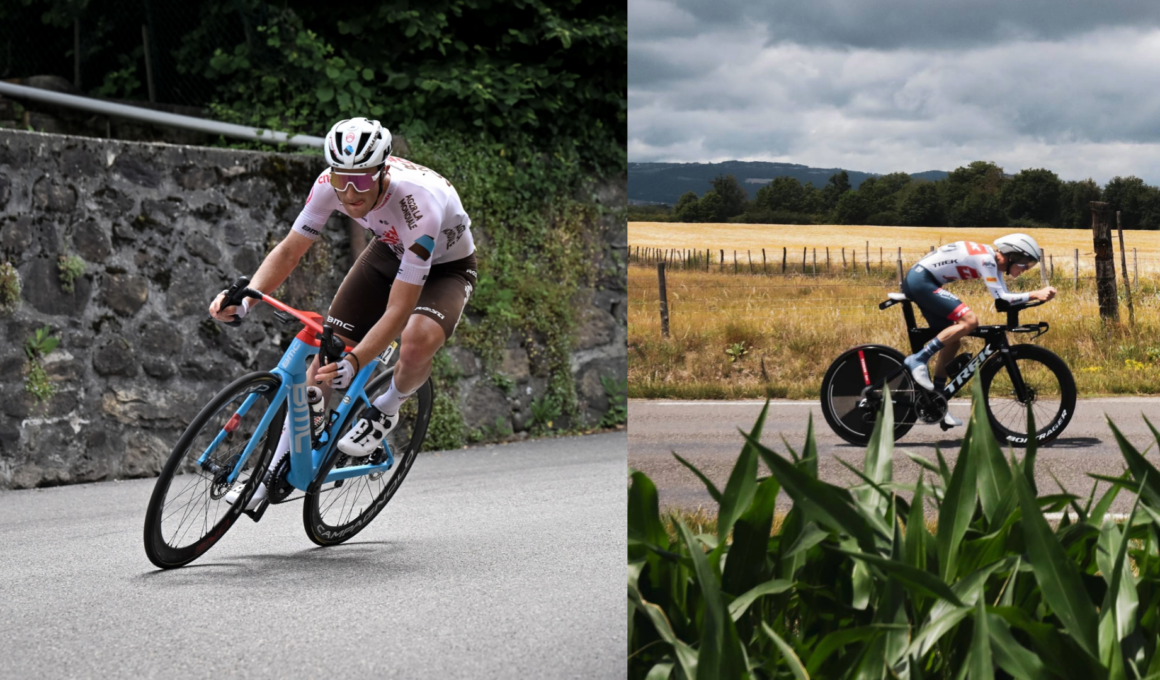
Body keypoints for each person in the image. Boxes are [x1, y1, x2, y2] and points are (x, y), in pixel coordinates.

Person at [208, 117, 477, 509]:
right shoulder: (328, 185)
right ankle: (269, 476)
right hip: (388, 250)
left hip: (445, 268)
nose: (350, 193)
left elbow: (399, 309)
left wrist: (356, 362)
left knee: (417, 340)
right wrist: (248, 296)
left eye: (363, 181)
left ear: (383, 172)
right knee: (324, 365)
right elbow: (289, 250)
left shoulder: (420, 205)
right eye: (341, 179)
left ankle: (388, 407)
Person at [900, 233, 1056, 427]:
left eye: (1030, 265)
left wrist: (1031, 298)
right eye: (1025, 263)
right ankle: (919, 359)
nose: (1026, 269)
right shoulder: (987, 260)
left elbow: (1003, 299)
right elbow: (1002, 298)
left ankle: (937, 400)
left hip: (924, 280)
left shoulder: (995, 265)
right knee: (970, 321)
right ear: (1012, 256)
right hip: (921, 281)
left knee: (953, 337)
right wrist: (1035, 294)